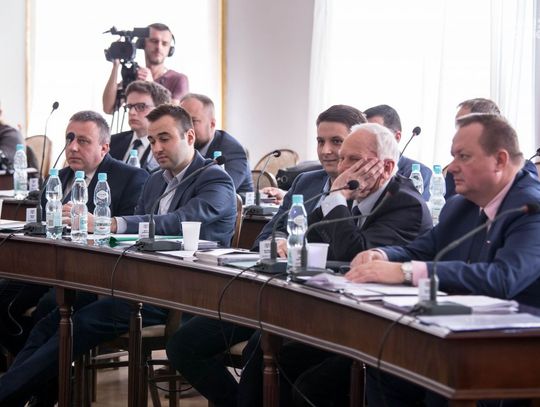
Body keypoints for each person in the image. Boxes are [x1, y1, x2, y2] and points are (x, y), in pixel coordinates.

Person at [0, 105, 237, 406]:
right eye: (152, 140)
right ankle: (20, 395)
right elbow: (134, 239)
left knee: (78, 324)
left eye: (164, 139)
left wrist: (109, 223)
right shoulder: (156, 180)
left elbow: (178, 221)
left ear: (190, 137)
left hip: (180, 294)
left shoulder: (215, 180)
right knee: (54, 319)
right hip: (136, 284)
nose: (157, 148)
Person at [164, 104, 366, 407]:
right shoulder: (306, 182)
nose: (326, 150)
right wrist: (279, 240)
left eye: (336, 141)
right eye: (320, 141)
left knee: (261, 349)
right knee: (183, 344)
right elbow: (266, 235)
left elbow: (352, 254)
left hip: (314, 308)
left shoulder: (364, 191)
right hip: (268, 296)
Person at [347, 113, 540, 407]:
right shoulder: (460, 206)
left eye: (463, 156)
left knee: (442, 383)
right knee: (385, 367)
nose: (452, 167)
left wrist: (405, 271)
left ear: (500, 160)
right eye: (453, 156)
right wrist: (382, 255)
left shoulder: (531, 209)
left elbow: (503, 278)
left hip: (515, 350)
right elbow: (423, 249)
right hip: (456, 335)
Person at [239, 123, 433, 407]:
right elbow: (310, 238)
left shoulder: (405, 205)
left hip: (379, 333)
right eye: (343, 159)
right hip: (338, 317)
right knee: (264, 353)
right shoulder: (356, 192)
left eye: (354, 160)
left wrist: (337, 198)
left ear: (387, 167)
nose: (342, 168)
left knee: (309, 388)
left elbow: (354, 256)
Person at [0, 110, 149, 360]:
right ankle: (30, 367)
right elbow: (44, 225)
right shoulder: (58, 178)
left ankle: (41, 374)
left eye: (83, 141)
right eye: (69, 139)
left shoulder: (131, 177)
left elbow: (129, 236)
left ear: (104, 148)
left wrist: (93, 224)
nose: (73, 147)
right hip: (49, 267)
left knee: (50, 307)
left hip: (92, 274)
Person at [446, 97, 536, 199]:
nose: (452, 168)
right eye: (457, 126)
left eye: (464, 125)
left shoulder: (523, 173)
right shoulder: (454, 173)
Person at [102, 23, 188, 114]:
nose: (159, 47)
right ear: (142, 44)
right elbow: (108, 108)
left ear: (170, 50)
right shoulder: (137, 76)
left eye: (164, 43)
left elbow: (174, 115)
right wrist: (115, 66)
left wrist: (151, 85)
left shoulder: (178, 79)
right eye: (154, 41)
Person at [179, 93, 253, 194]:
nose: (185, 128)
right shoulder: (182, 147)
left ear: (212, 124)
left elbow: (219, 190)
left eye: (193, 121)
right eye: (181, 122)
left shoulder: (232, 151)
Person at [364, 104, 432, 200]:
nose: (366, 141)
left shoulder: (418, 172)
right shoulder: (356, 168)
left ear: (396, 137)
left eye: (374, 134)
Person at [109, 80, 171, 172]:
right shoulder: (112, 142)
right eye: (129, 107)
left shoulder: (167, 148)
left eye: (141, 106)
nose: (132, 112)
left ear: (160, 110)